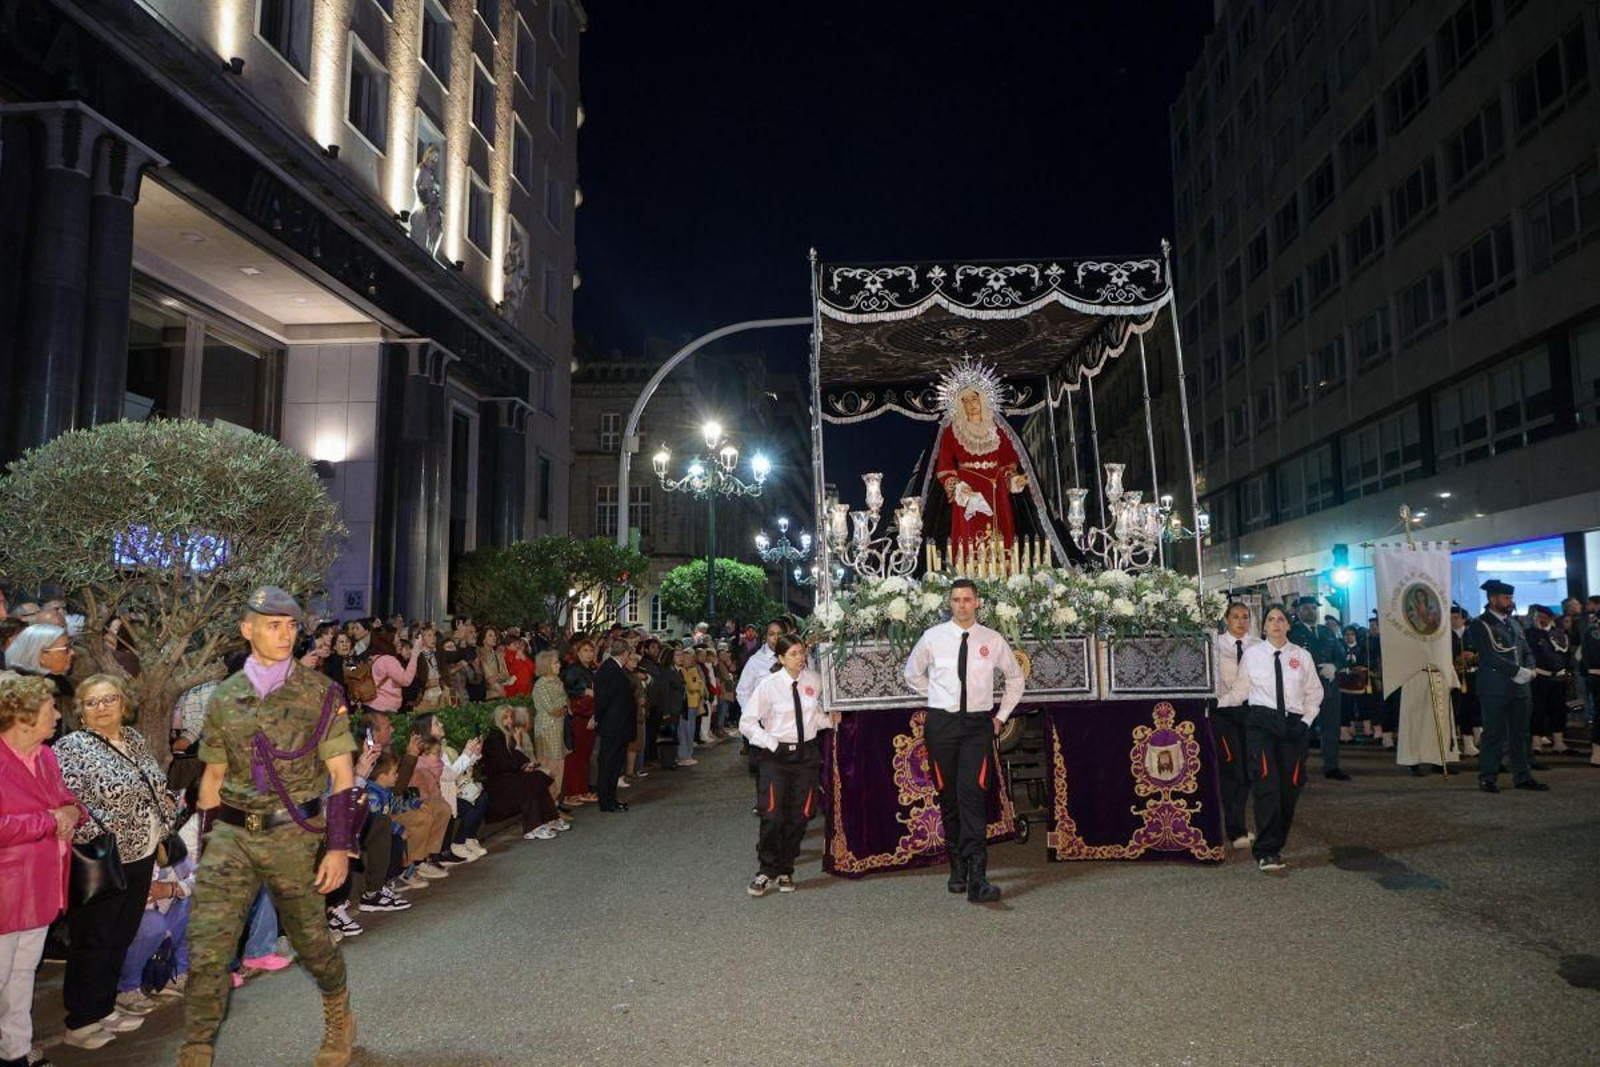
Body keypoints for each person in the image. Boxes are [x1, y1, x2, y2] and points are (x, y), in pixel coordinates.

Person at [180, 587, 361, 1067]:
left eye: (291, 626)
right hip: (231, 834)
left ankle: (338, 1010)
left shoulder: (321, 694)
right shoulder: (224, 698)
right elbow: (212, 780)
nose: (285, 635)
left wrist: (339, 847)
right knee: (208, 944)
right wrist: (202, 854)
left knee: (310, 940)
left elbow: (343, 776)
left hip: (292, 831)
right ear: (247, 630)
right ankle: (196, 1048)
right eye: (272, 625)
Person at [53, 675, 181, 1047]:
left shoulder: (134, 739)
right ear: (80, 711)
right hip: (103, 858)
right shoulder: (71, 747)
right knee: (94, 939)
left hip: (141, 854)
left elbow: (154, 784)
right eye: (91, 703)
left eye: (109, 699)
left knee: (120, 935)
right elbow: (72, 803)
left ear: (123, 704)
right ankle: (80, 1020)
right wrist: (108, 833)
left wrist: (166, 809)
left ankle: (104, 1006)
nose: (102, 707)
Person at [902, 578, 1024, 903]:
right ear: (949, 603)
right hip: (942, 725)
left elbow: (1015, 677)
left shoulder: (992, 640)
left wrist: (1001, 717)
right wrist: (938, 695)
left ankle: (978, 876)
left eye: (967, 599)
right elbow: (911, 673)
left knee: (971, 794)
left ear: (977, 603)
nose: (961, 605)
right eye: (956, 600)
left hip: (977, 727)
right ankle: (956, 867)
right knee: (949, 797)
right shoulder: (933, 638)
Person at [0, 674, 80, 1066]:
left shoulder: (46, 755)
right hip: (6, 892)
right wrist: (48, 821)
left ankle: (15, 1052)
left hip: (43, 885)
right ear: (24, 717)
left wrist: (68, 811)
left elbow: (66, 802)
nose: (58, 716)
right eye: (50, 709)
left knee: (22, 975)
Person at [1217, 605, 1324, 873]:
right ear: (1263, 627)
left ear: (1288, 626)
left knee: (1290, 788)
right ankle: (1267, 851)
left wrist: (1306, 722)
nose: (1276, 623)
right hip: (1261, 725)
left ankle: (1277, 840)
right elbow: (1240, 691)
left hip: (1293, 726)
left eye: (1281, 619)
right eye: (1271, 619)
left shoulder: (1302, 656)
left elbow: (1315, 692)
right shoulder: (1253, 655)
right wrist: (1214, 703)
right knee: (1267, 786)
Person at [739, 634, 838, 895]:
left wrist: (830, 719)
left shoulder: (814, 681)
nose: (800, 658)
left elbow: (814, 716)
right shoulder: (769, 686)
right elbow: (747, 722)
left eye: (802, 652)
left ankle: (785, 868)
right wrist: (769, 742)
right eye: (793, 653)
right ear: (781, 658)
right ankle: (765, 870)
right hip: (776, 758)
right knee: (772, 814)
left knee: (801, 814)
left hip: (807, 756)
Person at [1465, 579, 1548, 793]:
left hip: (1520, 688)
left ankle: (1522, 776)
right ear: (1493, 599)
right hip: (1494, 687)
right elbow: (1488, 655)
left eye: (1511, 597)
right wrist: (1517, 672)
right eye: (1506, 597)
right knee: (1493, 733)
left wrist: (1529, 670)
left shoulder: (1513, 623)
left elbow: (1527, 651)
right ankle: (1488, 777)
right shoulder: (1479, 623)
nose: (1510, 601)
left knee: (1521, 734)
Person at [932, 366, 1029, 548]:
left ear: (982, 400)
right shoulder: (952, 432)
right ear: (960, 405)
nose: (971, 404)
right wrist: (957, 487)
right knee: (970, 536)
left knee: (1001, 533)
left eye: (974, 398)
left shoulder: (998, 431)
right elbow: (945, 468)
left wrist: (1014, 480)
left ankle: (1004, 571)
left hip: (996, 488)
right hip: (968, 490)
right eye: (966, 401)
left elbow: (1008, 463)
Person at [1211, 602, 1258, 850]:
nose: (1241, 622)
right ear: (1226, 620)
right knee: (1233, 771)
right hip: (1224, 715)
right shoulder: (1215, 645)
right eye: (1236, 617)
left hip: (1252, 714)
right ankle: (1235, 829)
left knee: (1250, 772)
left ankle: (1237, 823)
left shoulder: (1258, 646)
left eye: (1245, 617)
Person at [1288, 596, 1349, 780]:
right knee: (1303, 730)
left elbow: (1341, 655)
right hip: (1303, 689)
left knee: (1331, 727)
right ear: (1298, 612)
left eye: (1313, 608)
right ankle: (1298, 769)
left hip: (1328, 687)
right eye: (1306, 608)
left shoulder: (1326, 632)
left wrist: (1335, 667)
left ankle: (1331, 767)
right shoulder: (1292, 633)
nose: (1310, 611)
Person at [480, 706, 564, 839]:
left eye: (511, 717)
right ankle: (533, 827)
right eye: (505, 718)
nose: (509, 721)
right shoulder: (494, 737)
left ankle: (550, 819)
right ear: (498, 720)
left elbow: (518, 761)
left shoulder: (508, 735)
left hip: (509, 777)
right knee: (531, 781)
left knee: (537, 777)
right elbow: (504, 764)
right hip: (498, 784)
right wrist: (519, 748)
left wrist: (526, 765)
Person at [593, 640, 637, 813]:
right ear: (625, 654)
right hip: (613, 727)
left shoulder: (614, 669)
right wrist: (598, 718)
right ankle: (606, 801)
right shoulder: (609, 670)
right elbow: (603, 700)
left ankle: (611, 799)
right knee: (608, 764)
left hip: (618, 726)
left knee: (614, 764)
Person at [1524, 605, 1572, 755]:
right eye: (1538, 616)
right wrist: (1538, 631)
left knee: (1558, 710)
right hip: (1540, 677)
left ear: (1550, 618)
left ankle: (1559, 743)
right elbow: (1530, 651)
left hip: (1558, 677)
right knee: (1538, 710)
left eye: (1543, 616)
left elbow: (1566, 655)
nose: (1540, 619)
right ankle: (1536, 742)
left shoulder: (1559, 633)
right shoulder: (1531, 634)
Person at [531, 651, 573, 809]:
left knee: (559, 766)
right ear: (546, 665)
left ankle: (555, 804)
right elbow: (553, 709)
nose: (559, 665)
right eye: (556, 663)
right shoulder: (541, 685)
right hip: (547, 732)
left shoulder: (557, 681)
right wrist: (564, 706)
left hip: (559, 729)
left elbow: (566, 705)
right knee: (549, 767)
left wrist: (564, 706)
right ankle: (549, 806)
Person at [561, 639, 598, 803]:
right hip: (578, 717)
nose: (589, 654)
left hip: (589, 715)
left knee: (584, 756)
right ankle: (572, 793)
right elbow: (565, 689)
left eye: (591, 650)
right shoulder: (574, 669)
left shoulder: (589, 669)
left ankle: (582, 790)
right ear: (578, 652)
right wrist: (584, 691)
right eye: (585, 650)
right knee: (576, 757)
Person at [1450, 605, 1482, 758]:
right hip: (1455, 677)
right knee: (1460, 709)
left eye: (1456, 618)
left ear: (1463, 619)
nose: (1453, 621)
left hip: (1473, 676)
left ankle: (1477, 739)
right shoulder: (1446, 636)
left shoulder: (1473, 634)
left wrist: (1473, 656)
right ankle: (1466, 743)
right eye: (1450, 618)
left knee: (1476, 706)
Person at [365, 628, 418, 714]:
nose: (399, 639)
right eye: (397, 636)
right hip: (383, 707)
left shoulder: (376, 656)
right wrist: (415, 655)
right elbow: (406, 680)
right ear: (389, 638)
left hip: (374, 705)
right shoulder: (388, 660)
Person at [479, 628, 511, 701]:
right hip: (485, 695)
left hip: (500, 694)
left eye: (494, 636)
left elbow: (506, 674)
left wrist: (496, 677)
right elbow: (483, 676)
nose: (494, 638)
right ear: (483, 639)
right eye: (490, 636)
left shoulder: (499, 655)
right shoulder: (478, 654)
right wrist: (489, 680)